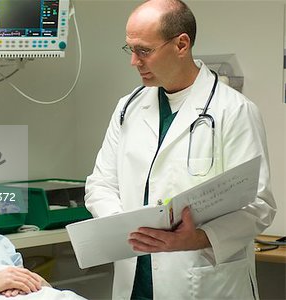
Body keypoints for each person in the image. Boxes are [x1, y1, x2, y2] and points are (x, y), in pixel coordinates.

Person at [84, 0, 276, 299]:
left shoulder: (234, 110)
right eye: (130, 49)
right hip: (135, 280)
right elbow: (100, 183)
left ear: (181, 45)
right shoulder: (128, 108)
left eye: (143, 50)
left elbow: (258, 205)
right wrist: (126, 226)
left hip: (202, 282)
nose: (134, 61)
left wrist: (197, 238)